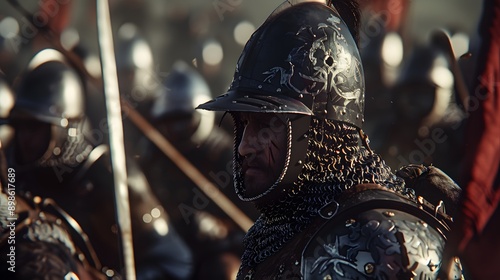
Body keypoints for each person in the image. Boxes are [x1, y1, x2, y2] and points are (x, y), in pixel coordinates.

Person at [197, 0, 464, 279]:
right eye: (243, 124)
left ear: (318, 131)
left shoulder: (382, 243)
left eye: (265, 125)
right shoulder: (273, 231)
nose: (244, 146)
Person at [6, 48, 193, 280]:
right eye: (20, 126)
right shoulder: (15, 175)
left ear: (67, 127)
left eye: (35, 127)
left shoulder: (107, 179)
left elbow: (174, 262)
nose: (25, 138)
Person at [139, 60, 258, 279]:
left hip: (223, 251)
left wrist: (221, 229)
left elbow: (257, 225)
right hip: (173, 249)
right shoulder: (157, 159)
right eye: (170, 122)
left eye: (183, 121)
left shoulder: (229, 156)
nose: (176, 130)